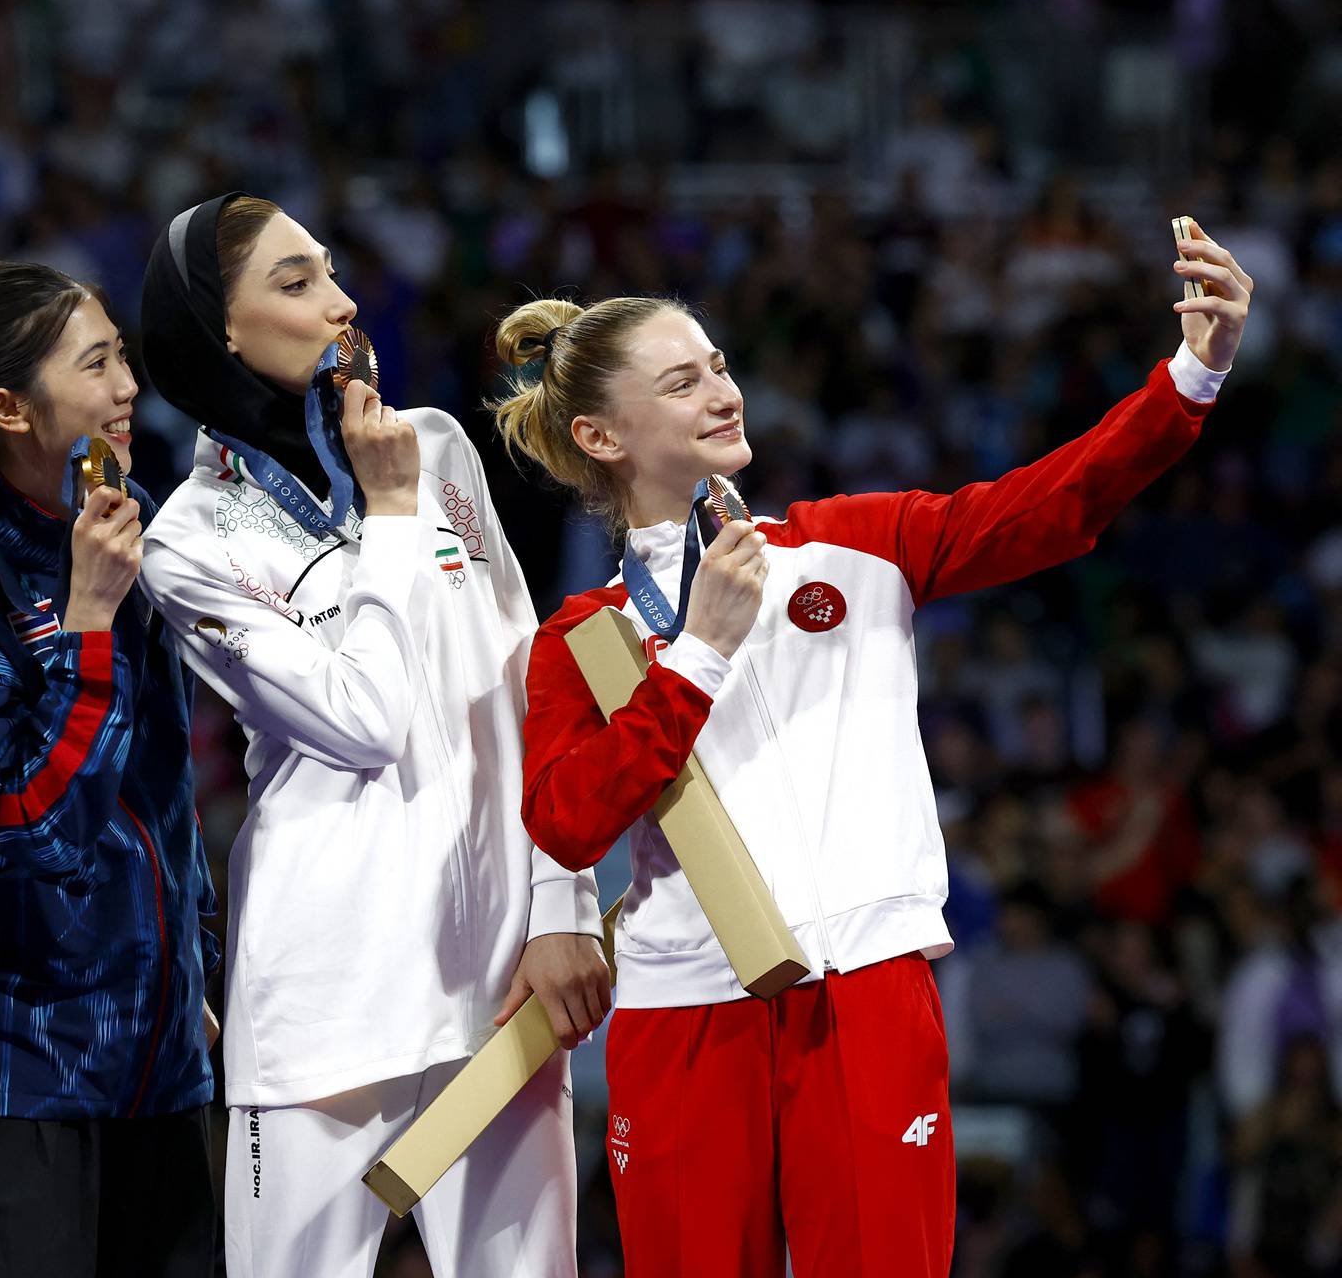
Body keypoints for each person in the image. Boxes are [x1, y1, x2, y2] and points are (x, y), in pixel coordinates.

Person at [504, 224, 1253, 1277]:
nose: (722, 390)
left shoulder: (858, 543)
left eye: (719, 365)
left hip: (861, 987)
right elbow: (566, 820)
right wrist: (699, 654)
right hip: (681, 1013)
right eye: (681, 382)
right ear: (601, 436)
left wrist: (1194, 373)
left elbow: (1055, 500)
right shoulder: (581, 637)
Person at [137, 193, 608, 1278]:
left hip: (500, 973)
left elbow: (532, 683)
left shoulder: (436, 448)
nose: (345, 303)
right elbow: (362, 718)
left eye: (333, 270)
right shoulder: (189, 543)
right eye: (296, 283)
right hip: (323, 1000)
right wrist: (390, 516)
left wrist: (561, 904)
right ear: (222, 330)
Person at [0, 261, 218, 1276]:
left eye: (123, 355)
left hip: (160, 1069)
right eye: (99, 362)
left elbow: (165, 795)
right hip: (17, 1083)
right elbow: (29, 829)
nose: (130, 387)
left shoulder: (120, 516)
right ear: (7, 408)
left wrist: (190, 961)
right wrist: (89, 626)